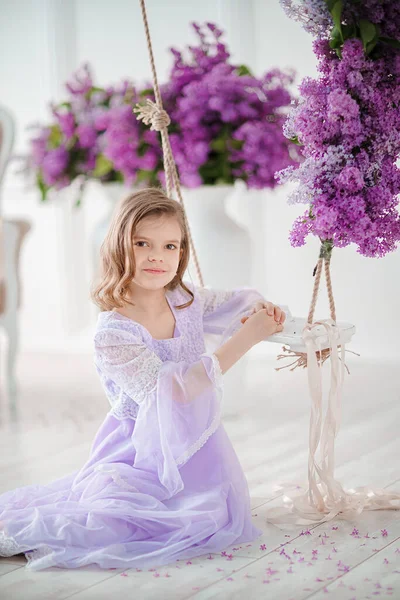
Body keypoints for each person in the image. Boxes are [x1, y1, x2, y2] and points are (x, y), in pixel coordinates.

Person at [0, 187, 285, 571]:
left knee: (210, 515)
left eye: (171, 246)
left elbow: (238, 301)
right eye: (142, 243)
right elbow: (174, 392)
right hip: (137, 452)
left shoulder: (185, 299)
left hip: (196, 449)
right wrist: (247, 338)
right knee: (118, 524)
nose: (157, 256)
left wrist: (262, 309)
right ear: (120, 245)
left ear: (183, 252)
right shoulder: (113, 333)